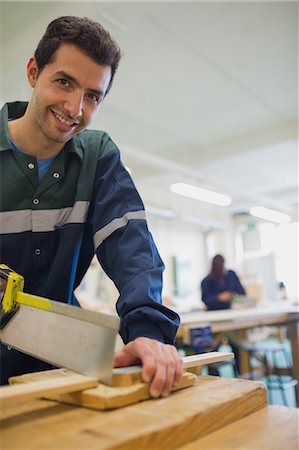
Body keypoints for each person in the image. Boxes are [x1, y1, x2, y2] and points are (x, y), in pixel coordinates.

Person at [0, 16, 183, 396]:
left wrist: (148, 332)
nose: (74, 107)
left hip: (58, 369)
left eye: (92, 95)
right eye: (64, 82)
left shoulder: (98, 157)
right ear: (34, 72)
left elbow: (132, 248)